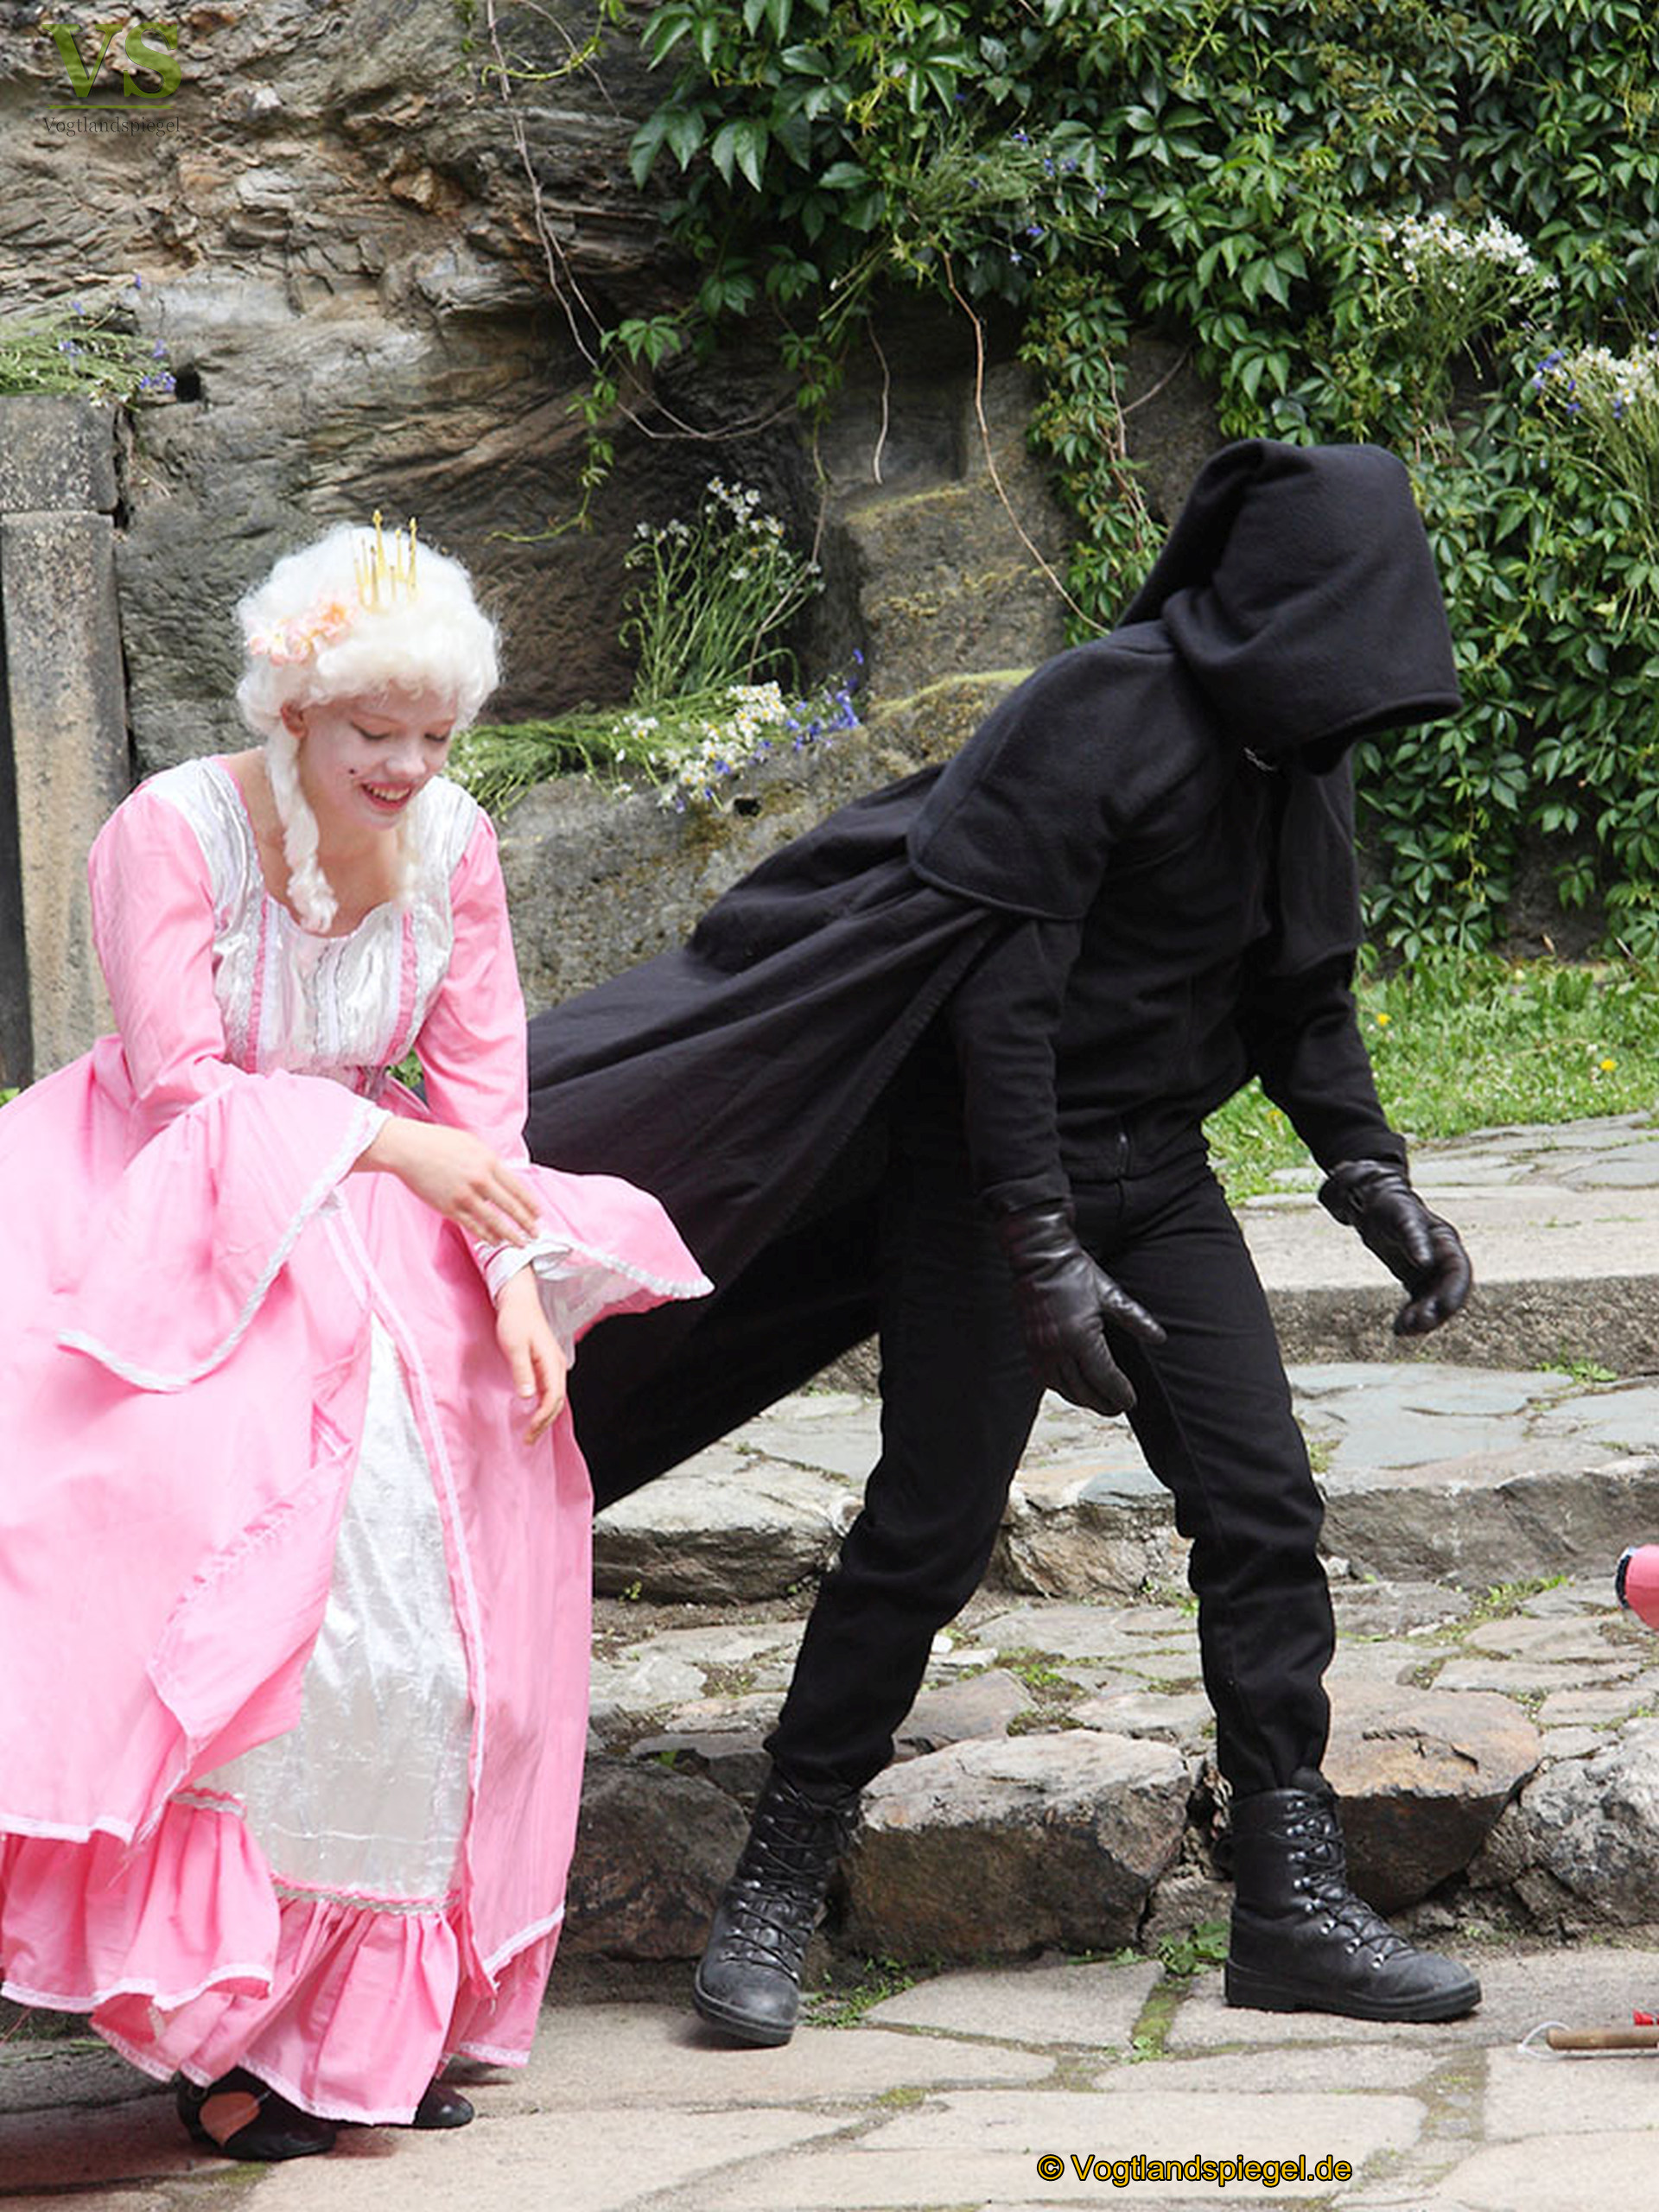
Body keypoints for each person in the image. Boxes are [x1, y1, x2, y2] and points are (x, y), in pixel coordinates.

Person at [522, 438, 1478, 2046]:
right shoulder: (1100, 711)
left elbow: (1301, 998)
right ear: (1291, 599)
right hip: (985, 1178)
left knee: (1262, 1509)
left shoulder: (1298, 756)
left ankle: (1289, 1905)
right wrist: (1040, 1248)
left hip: (1157, 1181)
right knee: (931, 1526)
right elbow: (999, 1002)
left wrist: (1371, 1176)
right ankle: (776, 1882)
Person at [0, 519, 708, 2158]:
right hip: (179, 1208)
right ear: (293, 710)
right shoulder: (169, 831)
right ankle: (230, 2023)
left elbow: (483, 1096)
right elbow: (180, 1082)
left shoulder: (456, 843)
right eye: (372, 732)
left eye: (434, 736)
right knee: (254, 1580)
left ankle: (359, 2014)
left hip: (389, 1225)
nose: (405, 768)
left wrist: (516, 1276)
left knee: (444, 1609)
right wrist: (396, 1152)